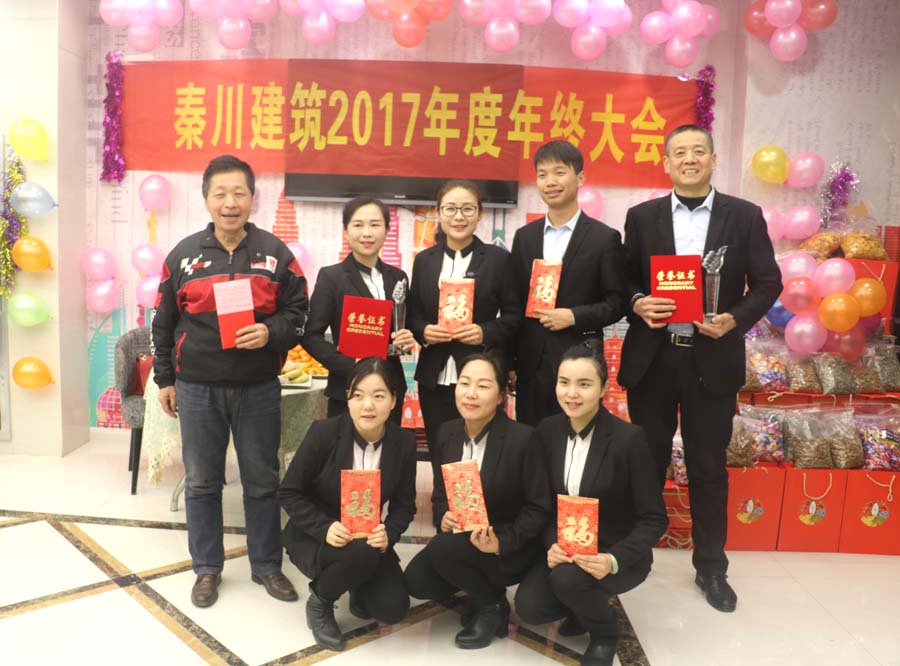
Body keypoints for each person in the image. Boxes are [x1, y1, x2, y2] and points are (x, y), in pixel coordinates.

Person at [618, 125, 781, 613]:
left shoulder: (744, 215)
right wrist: (637, 301)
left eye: (697, 152)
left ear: (712, 160)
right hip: (654, 357)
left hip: (712, 356)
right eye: (679, 153)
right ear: (666, 163)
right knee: (645, 463)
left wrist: (735, 319)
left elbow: (768, 282)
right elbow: (623, 278)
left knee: (708, 468)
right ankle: (633, 557)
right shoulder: (642, 217)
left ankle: (711, 568)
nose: (688, 159)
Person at [152, 154, 308, 608]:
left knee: (262, 481)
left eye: (239, 193)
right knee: (202, 482)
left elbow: (299, 313)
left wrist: (270, 332)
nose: (230, 202)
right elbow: (163, 323)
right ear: (206, 200)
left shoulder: (276, 255)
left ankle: (267, 565)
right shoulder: (183, 256)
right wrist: (165, 379)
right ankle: (206, 569)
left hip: (258, 387)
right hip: (197, 387)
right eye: (220, 193)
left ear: (252, 198)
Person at [515, 341, 667, 666]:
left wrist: (612, 559)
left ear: (603, 388)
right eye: (564, 382)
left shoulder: (629, 439)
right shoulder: (547, 431)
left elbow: (654, 519)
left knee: (567, 581)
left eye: (584, 384)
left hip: (613, 550)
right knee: (530, 607)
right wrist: (552, 543)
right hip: (565, 547)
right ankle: (580, 606)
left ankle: (604, 634)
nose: (572, 393)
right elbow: (543, 504)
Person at [404, 353, 551, 650]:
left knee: (441, 549)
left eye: (483, 386)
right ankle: (487, 592)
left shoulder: (524, 439)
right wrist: (444, 515)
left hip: (508, 544)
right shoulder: (447, 433)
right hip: (462, 539)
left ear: (501, 395)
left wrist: (501, 542)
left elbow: (539, 508)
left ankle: (490, 606)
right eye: (464, 383)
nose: (470, 393)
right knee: (417, 581)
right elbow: (440, 493)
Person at [278, 358, 417, 651]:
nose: (368, 406)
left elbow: (405, 506)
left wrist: (389, 534)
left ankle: (356, 579)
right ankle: (320, 602)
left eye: (378, 396)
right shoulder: (323, 433)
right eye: (358, 395)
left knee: (393, 608)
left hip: (368, 539)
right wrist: (325, 527)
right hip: (316, 536)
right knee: (360, 553)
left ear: (393, 400)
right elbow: (289, 492)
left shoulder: (403, 443)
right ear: (348, 399)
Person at [507, 140, 627, 426]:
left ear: (580, 178)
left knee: (577, 441)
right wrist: (510, 362)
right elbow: (513, 303)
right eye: (542, 174)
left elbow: (617, 302)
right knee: (532, 442)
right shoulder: (525, 237)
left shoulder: (604, 238)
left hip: (580, 363)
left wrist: (573, 316)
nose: (550, 182)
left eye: (559, 172)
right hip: (531, 365)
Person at [407, 179, 520, 469]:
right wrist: (424, 331)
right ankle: (442, 499)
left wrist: (485, 332)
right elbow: (413, 313)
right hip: (434, 375)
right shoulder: (424, 260)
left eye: (467, 209)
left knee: (483, 453)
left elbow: (513, 316)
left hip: (480, 374)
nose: (459, 216)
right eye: (450, 208)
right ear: (439, 212)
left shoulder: (498, 259)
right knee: (440, 450)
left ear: (479, 213)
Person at [302, 196, 415, 423]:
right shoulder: (332, 277)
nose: (367, 233)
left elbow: (402, 328)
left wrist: (405, 338)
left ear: (386, 230)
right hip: (348, 388)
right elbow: (310, 335)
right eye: (358, 225)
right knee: (345, 446)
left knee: (388, 445)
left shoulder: (398, 277)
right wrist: (349, 365)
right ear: (346, 231)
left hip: (389, 387)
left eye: (375, 225)